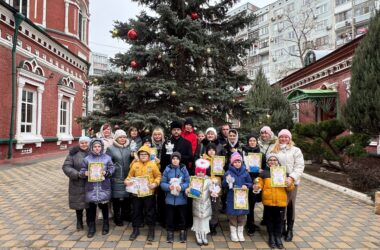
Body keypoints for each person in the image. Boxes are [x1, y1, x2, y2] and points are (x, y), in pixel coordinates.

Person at [253, 154, 295, 249]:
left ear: (278, 162)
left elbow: (290, 188)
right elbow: (259, 183)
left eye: (275, 160)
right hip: (268, 201)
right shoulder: (264, 174)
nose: (272, 161)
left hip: (281, 202)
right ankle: (271, 237)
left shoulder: (284, 173)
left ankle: (278, 237)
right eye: (270, 160)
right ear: (267, 162)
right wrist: (257, 186)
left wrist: (288, 183)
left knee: (279, 221)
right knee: (269, 220)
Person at [271, 129, 305, 242]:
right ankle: (282, 227)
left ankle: (290, 229)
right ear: (278, 138)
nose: (283, 139)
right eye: (281, 137)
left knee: (290, 205)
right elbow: (269, 163)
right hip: (277, 183)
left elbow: (299, 166)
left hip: (291, 183)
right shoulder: (274, 149)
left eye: (286, 137)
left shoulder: (296, 150)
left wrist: (292, 177)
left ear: (290, 138)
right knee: (281, 205)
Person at [125, 145, 161, 241]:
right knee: (136, 211)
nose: (143, 155)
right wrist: (127, 181)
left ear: (149, 155)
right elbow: (129, 176)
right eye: (141, 154)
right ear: (138, 155)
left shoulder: (153, 164)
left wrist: (155, 183)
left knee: (150, 211)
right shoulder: (135, 164)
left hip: (149, 193)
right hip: (136, 193)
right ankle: (135, 229)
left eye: (145, 154)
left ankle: (151, 230)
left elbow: (158, 176)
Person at [160, 121, 193, 227]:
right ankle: (170, 223)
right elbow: (163, 158)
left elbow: (190, 157)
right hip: (169, 173)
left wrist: (177, 157)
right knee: (170, 199)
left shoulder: (187, 143)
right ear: (171, 131)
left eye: (178, 129)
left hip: (182, 173)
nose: (176, 131)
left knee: (182, 199)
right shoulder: (167, 143)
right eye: (174, 130)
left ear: (181, 130)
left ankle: (183, 223)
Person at [80, 139, 115, 238]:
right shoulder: (87, 159)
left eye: (99, 146)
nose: (97, 148)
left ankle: (106, 224)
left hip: (103, 186)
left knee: (104, 207)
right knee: (91, 208)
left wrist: (107, 172)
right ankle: (92, 227)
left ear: (102, 147)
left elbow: (112, 168)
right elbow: (82, 170)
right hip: (91, 187)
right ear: (91, 147)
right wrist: (84, 173)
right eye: (95, 147)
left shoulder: (107, 158)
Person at [62, 136, 91, 231]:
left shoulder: (93, 152)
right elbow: (66, 167)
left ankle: (89, 221)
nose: (84, 144)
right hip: (77, 181)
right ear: (79, 143)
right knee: (78, 203)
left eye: (86, 142)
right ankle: (79, 221)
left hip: (90, 182)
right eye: (82, 143)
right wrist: (78, 174)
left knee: (89, 203)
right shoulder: (73, 153)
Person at [160, 152, 190, 243]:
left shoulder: (183, 169)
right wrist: (168, 187)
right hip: (169, 198)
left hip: (181, 198)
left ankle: (182, 231)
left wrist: (181, 187)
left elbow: (188, 182)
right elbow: (162, 183)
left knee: (182, 216)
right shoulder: (167, 169)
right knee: (170, 216)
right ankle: (170, 232)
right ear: (171, 160)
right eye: (173, 159)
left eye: (177, 159)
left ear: (180, 160)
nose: (175, 160)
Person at [222, 152, 252, 242]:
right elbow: (223, 185)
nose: (237, 163)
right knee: (232, 215)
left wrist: (246, 185)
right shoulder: (228, 173)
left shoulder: (246, 172)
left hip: (242, 198)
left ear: (241, 162)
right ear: (232, 163)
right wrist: (227, 181)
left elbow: (250, 183)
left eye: (239, 162)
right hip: (232, 197)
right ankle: (233, 232)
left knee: (242, 215)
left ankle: (240, 231)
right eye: (235, 162)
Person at [105, 129, 132, 226]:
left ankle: (126, 215)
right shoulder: (110, 149)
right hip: (116, 177)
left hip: (128, 176)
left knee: (127, 197)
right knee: (116, 198)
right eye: (120, 137)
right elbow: (107, 163)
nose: (122, 139)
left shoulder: (129, 148)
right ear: (116, 138)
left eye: (124, 137)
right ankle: (117, 217)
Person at [241, 134, 265, 235]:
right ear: (248, 142)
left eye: (254, 140)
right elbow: (238, 164)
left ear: (256, 142)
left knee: (253, 202)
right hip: (246, 179)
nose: (252, 142)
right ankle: (249, 223)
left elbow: (265, 168)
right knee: (247, 202)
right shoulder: (243, 153)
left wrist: (261, 170)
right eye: (250, 140)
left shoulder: (261, 154)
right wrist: (244, 168)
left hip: (256, 180)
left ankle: (250, 223)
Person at [186, 159, 212, 246]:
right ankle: (198, 234)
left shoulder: (208, 181)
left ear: (205, 172)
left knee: (204, 220)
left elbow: (212, 190)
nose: (200, 173)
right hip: (196, 204)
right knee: (197, 219)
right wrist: (188, 190)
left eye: (202, 172)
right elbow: (188, 192)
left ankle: (204, 235)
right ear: (196, 172)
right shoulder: (193, 180)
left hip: (206, 204)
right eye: (198, 172)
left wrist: (214, 192)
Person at [202, 143, 222, 236]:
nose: (211, 151)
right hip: (206, 185)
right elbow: (199, 172)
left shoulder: (219, 160)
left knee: (215, 205)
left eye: (213, 150)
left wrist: (221, 173)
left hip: (216, 185)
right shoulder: (202, 160)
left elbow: (223, 172)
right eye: (209, 149)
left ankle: (213, 224)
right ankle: (206, 225)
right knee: (206, 205)